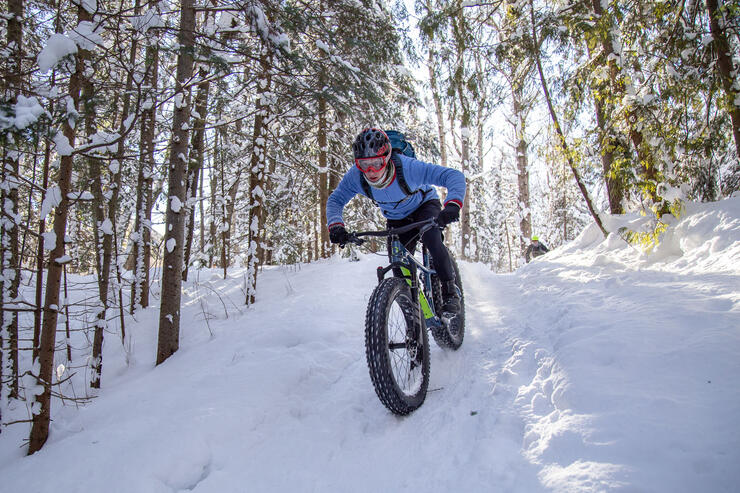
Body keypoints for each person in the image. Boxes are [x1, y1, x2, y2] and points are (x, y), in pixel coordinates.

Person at [326, 128, 466, 314]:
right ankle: (415, 319)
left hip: (424, 206)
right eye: (363, 164)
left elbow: (452, 176)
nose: (371, 171)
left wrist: (453, 204)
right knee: (400, 271)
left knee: (432, 239)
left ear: (387, 157)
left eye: (376, 163)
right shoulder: (356, 177)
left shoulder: (408, 168)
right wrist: (336, 225)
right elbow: (336, 200)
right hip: (396, 218)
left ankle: (450, 292)